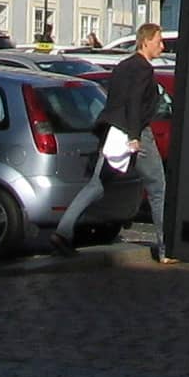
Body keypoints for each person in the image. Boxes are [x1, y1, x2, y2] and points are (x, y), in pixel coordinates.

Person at [61, 21, 172, 257]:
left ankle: (62, 232)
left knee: (96, 184)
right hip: (136, 132)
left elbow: (115, 101)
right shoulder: (144, 69)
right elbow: (133, 102)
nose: (162, 47)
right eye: (158, 41)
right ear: (146, 41)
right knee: (158, 189)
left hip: (113, 132)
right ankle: (165, 248)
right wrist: (134, 136)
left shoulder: (122, 66)